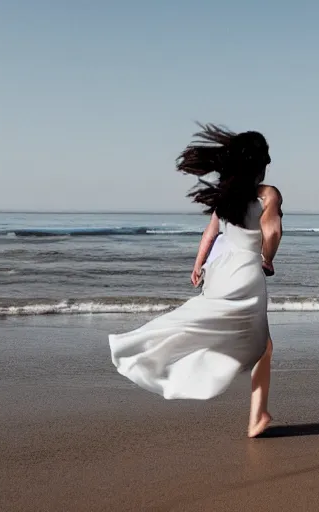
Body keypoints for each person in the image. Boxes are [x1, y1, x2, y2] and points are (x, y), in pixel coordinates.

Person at [108, 123, 283, 438]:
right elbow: (272, 231)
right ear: (256, 164)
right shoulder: (267, 194)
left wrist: (198, 264)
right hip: (246, 272)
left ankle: (257, 413)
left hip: (220, 272)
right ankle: (255, 414)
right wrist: (267, 258)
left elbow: (210, 233)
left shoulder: (226, 196)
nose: (268, 164)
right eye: (266, 159)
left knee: (218, 327)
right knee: (259, 345)